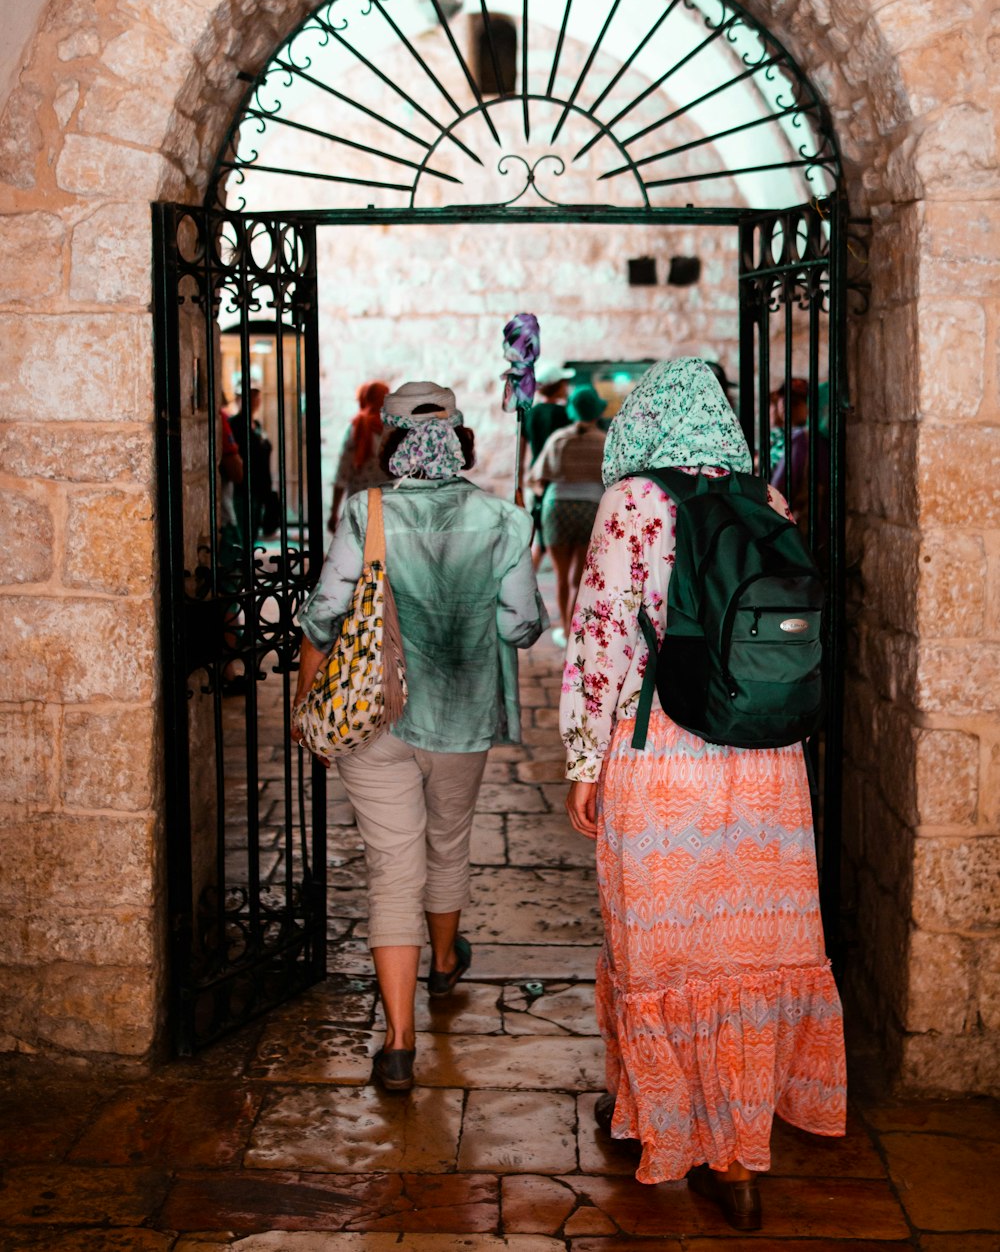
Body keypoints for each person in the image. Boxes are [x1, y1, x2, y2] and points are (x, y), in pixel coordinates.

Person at [561, 358, 845, 1231]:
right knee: (744, 959)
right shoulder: (766, 498)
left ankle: (667, 1127)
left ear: (645, 419)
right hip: (767, 767)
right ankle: (738, 1157)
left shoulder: (635, 503)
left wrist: (583, 760)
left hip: (666, 758)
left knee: (666, 958)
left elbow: (601, 638)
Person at [293, 381, 545, 1093]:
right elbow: (520, 625)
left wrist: (305, 698)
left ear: (392, 441)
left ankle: (399, 1045)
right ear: (459, 438)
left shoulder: (364, 512)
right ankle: (443, 962)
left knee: (392, 868)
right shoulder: (504, 520)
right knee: (448, 842)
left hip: (374, 712)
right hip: (462, 714)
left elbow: (323, 615)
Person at [528, 384, 607, 648]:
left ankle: (562, 628)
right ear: (596, 412)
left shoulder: (559, 439)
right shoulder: (604, 441)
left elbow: (537, 478)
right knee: (579, 577)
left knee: (561, 577)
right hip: (590, 510)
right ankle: (575, 631)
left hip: (557, 509)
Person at [519, 360, 574, 569]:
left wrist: (522, 490)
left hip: (537, 480)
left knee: (540, 541)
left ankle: (525, 588)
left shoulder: (529, 414)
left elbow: (523, 454)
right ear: (557, 385)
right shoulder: (565, 415)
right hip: (560, 480)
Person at [769, 377, 830, 550]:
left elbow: (777, 491)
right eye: (785, 398)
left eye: (797, 401)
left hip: (794, 531)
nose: (789, 405)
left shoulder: (801, 440)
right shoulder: (815, 438)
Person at [329, 380, 390, 532]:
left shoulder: (357, 428)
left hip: (360, 504)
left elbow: (343, 473)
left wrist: (334, 512)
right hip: (389, 505)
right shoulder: (395, 429)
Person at [232, 386, 274, 549]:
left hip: (260, 487)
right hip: (243, 486)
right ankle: (243, 570)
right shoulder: (235, 424)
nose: (256, 402)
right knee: (243, 532)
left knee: (253, 531)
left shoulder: (257, 425)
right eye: (252, 398)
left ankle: (248, 568)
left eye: (258, 399)